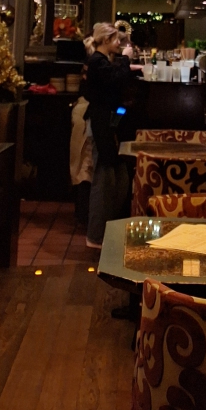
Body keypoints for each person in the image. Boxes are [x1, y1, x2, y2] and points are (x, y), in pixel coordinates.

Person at [85, 22, 131, 248]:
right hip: (100, 124)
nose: (119, 43)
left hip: (106, 124)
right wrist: (127, 59)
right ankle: (95, 236)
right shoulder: (97, 61)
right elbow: (114, 79)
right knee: (103, 180)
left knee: (118, 179)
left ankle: (108, 231)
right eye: (115, 40)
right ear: (105, 40)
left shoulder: (102, 61)